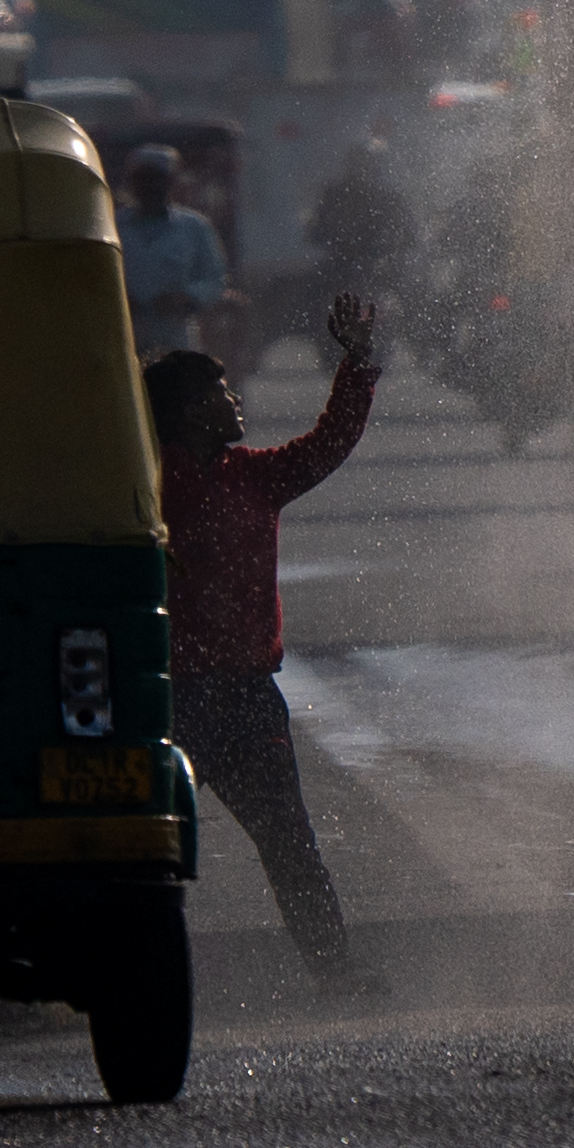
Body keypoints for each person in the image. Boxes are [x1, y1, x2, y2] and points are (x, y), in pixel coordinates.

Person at [145, 292, 381, 978]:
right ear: (190, 412)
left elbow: (328, 445)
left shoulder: (251, 476)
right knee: (146, 857)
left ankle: (335, 968)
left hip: (246, 698)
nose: (236, 403)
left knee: (290, 844)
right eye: (221, 394)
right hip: (173, 701)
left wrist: (357, 365)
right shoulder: (148, 486)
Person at [118, 143, 228, 355]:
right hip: (126, 335)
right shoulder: (113, 226)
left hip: (177, 335)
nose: (150, 186)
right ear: (131, 183)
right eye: (143, 179)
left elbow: (215, 277)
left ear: (172, 182)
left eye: (157, 179)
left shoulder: (194, 226)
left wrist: (187, 297)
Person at [306, 138, 422, 308]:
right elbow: (316, 232)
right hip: (345, 272)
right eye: (358, 164)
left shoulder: (388, 198)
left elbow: (408, 236)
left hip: (377, 273)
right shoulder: (336, 195)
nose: (361, 171)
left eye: (365, 164)